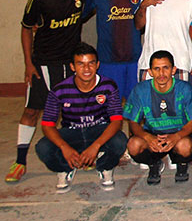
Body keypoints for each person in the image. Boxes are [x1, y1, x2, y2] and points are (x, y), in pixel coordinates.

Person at [6, 0, 90, 183]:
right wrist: (28, 64)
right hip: (42, 64)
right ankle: (20, 161)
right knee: (32, 110)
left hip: (70, 65)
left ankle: (76, 155)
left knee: (71, 112)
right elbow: (26, 29)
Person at [35, 42, 128, 193]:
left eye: (91, 63)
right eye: (81, 64)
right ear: (72, 67)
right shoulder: (59, 90)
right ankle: (65, 168)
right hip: (72, 132)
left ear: (97, 65)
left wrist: (96, 146)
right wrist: (65, 147)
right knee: (43, 148)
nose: (86, 69)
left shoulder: (108, 86)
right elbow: (47, 124)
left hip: (99, 129)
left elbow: (117, 121)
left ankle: (104, 167)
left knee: (120, 141)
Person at [124, 50, 192, 185]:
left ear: (173, 70)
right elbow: (133, 122)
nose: (161, 74)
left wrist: (177, 136)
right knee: (133, 145)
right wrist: (147, 137)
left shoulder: (185, 88)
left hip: (178, 134)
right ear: (150, 72)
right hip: (153, 135)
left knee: (185, 146)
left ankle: (181, 164)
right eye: (156, 69)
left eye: (166, 68)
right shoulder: (141, 90)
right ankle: (154, 164)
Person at [83, 0, 144, 100]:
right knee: (107, 105)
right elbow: (80, 16)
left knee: (135, 107)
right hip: (108, 60)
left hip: (134, 60)